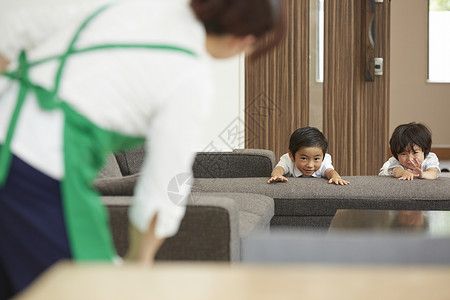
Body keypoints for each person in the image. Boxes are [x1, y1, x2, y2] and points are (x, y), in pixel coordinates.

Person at [0, 0, 285, 297]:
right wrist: (140, 262)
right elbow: (167, 183)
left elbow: (15, 34)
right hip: (37, 167)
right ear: (244, 39)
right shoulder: (189, 76)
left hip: (16, 144)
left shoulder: (123, 8)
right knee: (91, 289)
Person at [268, 127, 349, 185]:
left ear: (323, 157)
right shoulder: (288, 159)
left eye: (316, 159)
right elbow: (279, 169)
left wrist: (335, 177)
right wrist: (277, 175)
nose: (310, 165)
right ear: (291, 155)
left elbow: (330, 171)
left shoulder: (325, 159)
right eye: (304, 158)